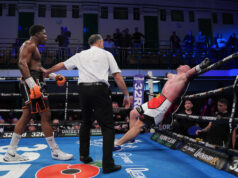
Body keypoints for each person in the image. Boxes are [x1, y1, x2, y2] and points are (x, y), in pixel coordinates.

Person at [41, 34, 130, 173]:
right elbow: (117, 76)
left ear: (91, 43)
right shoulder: (106, 54)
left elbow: (62, 65)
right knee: (107, 126)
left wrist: (47, 71)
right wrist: (126, 94)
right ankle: (108, 164)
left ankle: (84, 155)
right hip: (99, 89)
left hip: (83, 89)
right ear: (100, 42)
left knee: (86, 122)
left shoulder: (81, 54)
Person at [3, 24, 73, 162]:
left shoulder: (34, 48)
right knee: (45, 114)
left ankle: (10, 153)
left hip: (35, 81)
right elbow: (21, 64)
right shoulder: (29, 45)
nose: (46, 36)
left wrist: (53, 76)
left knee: (26, 115)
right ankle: (55, 151)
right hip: (33, 82)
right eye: (44, 34)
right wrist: (32, 85)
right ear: (37, 34)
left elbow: (38, 67)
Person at [114, 58, 211, 149]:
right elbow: (167, 74)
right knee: (133, 113)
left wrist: (200, 66)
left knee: (139, 124)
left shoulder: (184, 77)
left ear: (186, 69)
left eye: (184, 65)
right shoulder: (173, 76)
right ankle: (131, 137)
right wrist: (167, 74)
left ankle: (118, 143)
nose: (181, 65)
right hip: (157, 99)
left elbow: (192, 72)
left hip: (162, 104)